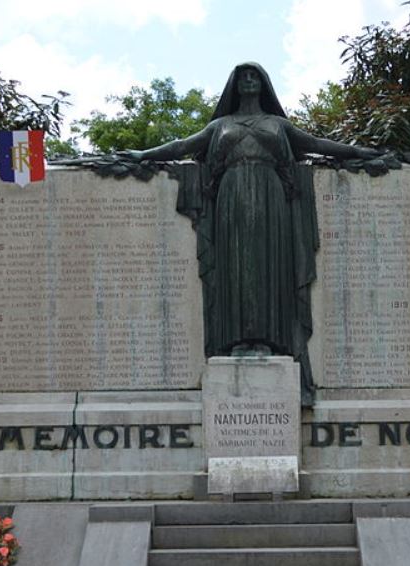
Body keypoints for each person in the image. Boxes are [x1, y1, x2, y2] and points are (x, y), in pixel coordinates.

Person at [123, 63, 380, 405]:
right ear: (234, 85)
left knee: (267, 267)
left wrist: (358, 152)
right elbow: (183, 145)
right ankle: (236, 340)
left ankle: (270, 339)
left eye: (254, 76)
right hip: (231, 197)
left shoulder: (278, 124)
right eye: (243, 76)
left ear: (263, 84)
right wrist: (144, 154)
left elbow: (317, 143)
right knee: (235, 269)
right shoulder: (220, 126)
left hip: (272, 196)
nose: (248, 80)